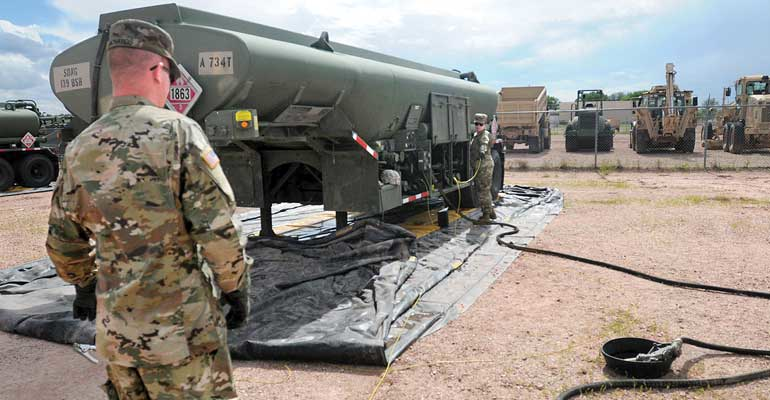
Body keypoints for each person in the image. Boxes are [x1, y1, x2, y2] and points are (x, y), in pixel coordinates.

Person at [45, 19, 251, 399]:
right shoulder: (179, 133)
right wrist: (235, 289)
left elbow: (62, 241)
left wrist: (84, 286)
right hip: (182, 338)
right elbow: (219, 231)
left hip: (118, 339)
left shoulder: (81, 147)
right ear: (159, 70)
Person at [470, 113, 496, 221]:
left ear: (484, 124)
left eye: (480, 124)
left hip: (484, 167)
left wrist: (482, 150)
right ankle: (491, 212)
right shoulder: (477, 135)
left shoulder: (484, 135)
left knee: (483, 191)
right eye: (476, 123)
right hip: (480, 166)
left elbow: (484, 145)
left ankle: (486, 216)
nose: (478, 126)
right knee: (483, 189)